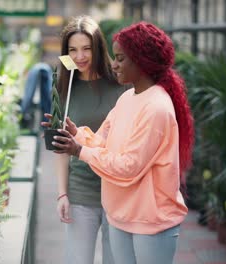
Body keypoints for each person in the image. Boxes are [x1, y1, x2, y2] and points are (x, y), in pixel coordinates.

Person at [50, 21, 195, 263]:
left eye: (120, 58)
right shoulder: (128, 97)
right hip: (121, 212)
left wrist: (80, 150)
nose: (114, 64)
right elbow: (104, 141)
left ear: (141, 61)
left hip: (149, 219)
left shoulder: (156, 108)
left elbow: (129, 166)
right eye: (73, 50)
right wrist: (77, 135)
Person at [53, 15, 123, 264]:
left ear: (98, 48)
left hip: (119, 191)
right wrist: (62, 194)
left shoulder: (121, 84)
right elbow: (60, 148)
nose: (80, 56)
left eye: (86, 49)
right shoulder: (64, 89)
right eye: (72, 50)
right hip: (81, 191)